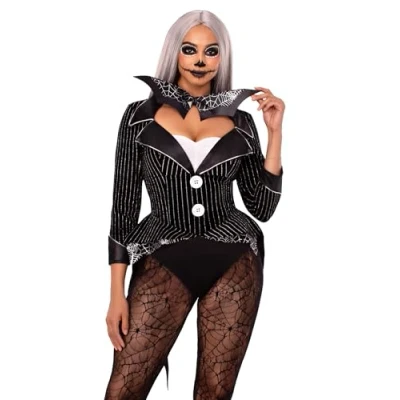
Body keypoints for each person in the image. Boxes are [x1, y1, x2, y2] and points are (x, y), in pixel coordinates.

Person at [104, 9, 285, 400]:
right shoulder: (139, 117)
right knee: (123, 389)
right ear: (175, 53)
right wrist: (116, 292)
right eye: (190, 50)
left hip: (234, 259)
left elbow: (262, 207)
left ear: (222, 58)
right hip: (163, 256)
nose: (200, 60)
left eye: (211, 51)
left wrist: (274, 133)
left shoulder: (241, 122)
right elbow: (123, 207)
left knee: (214, 392)